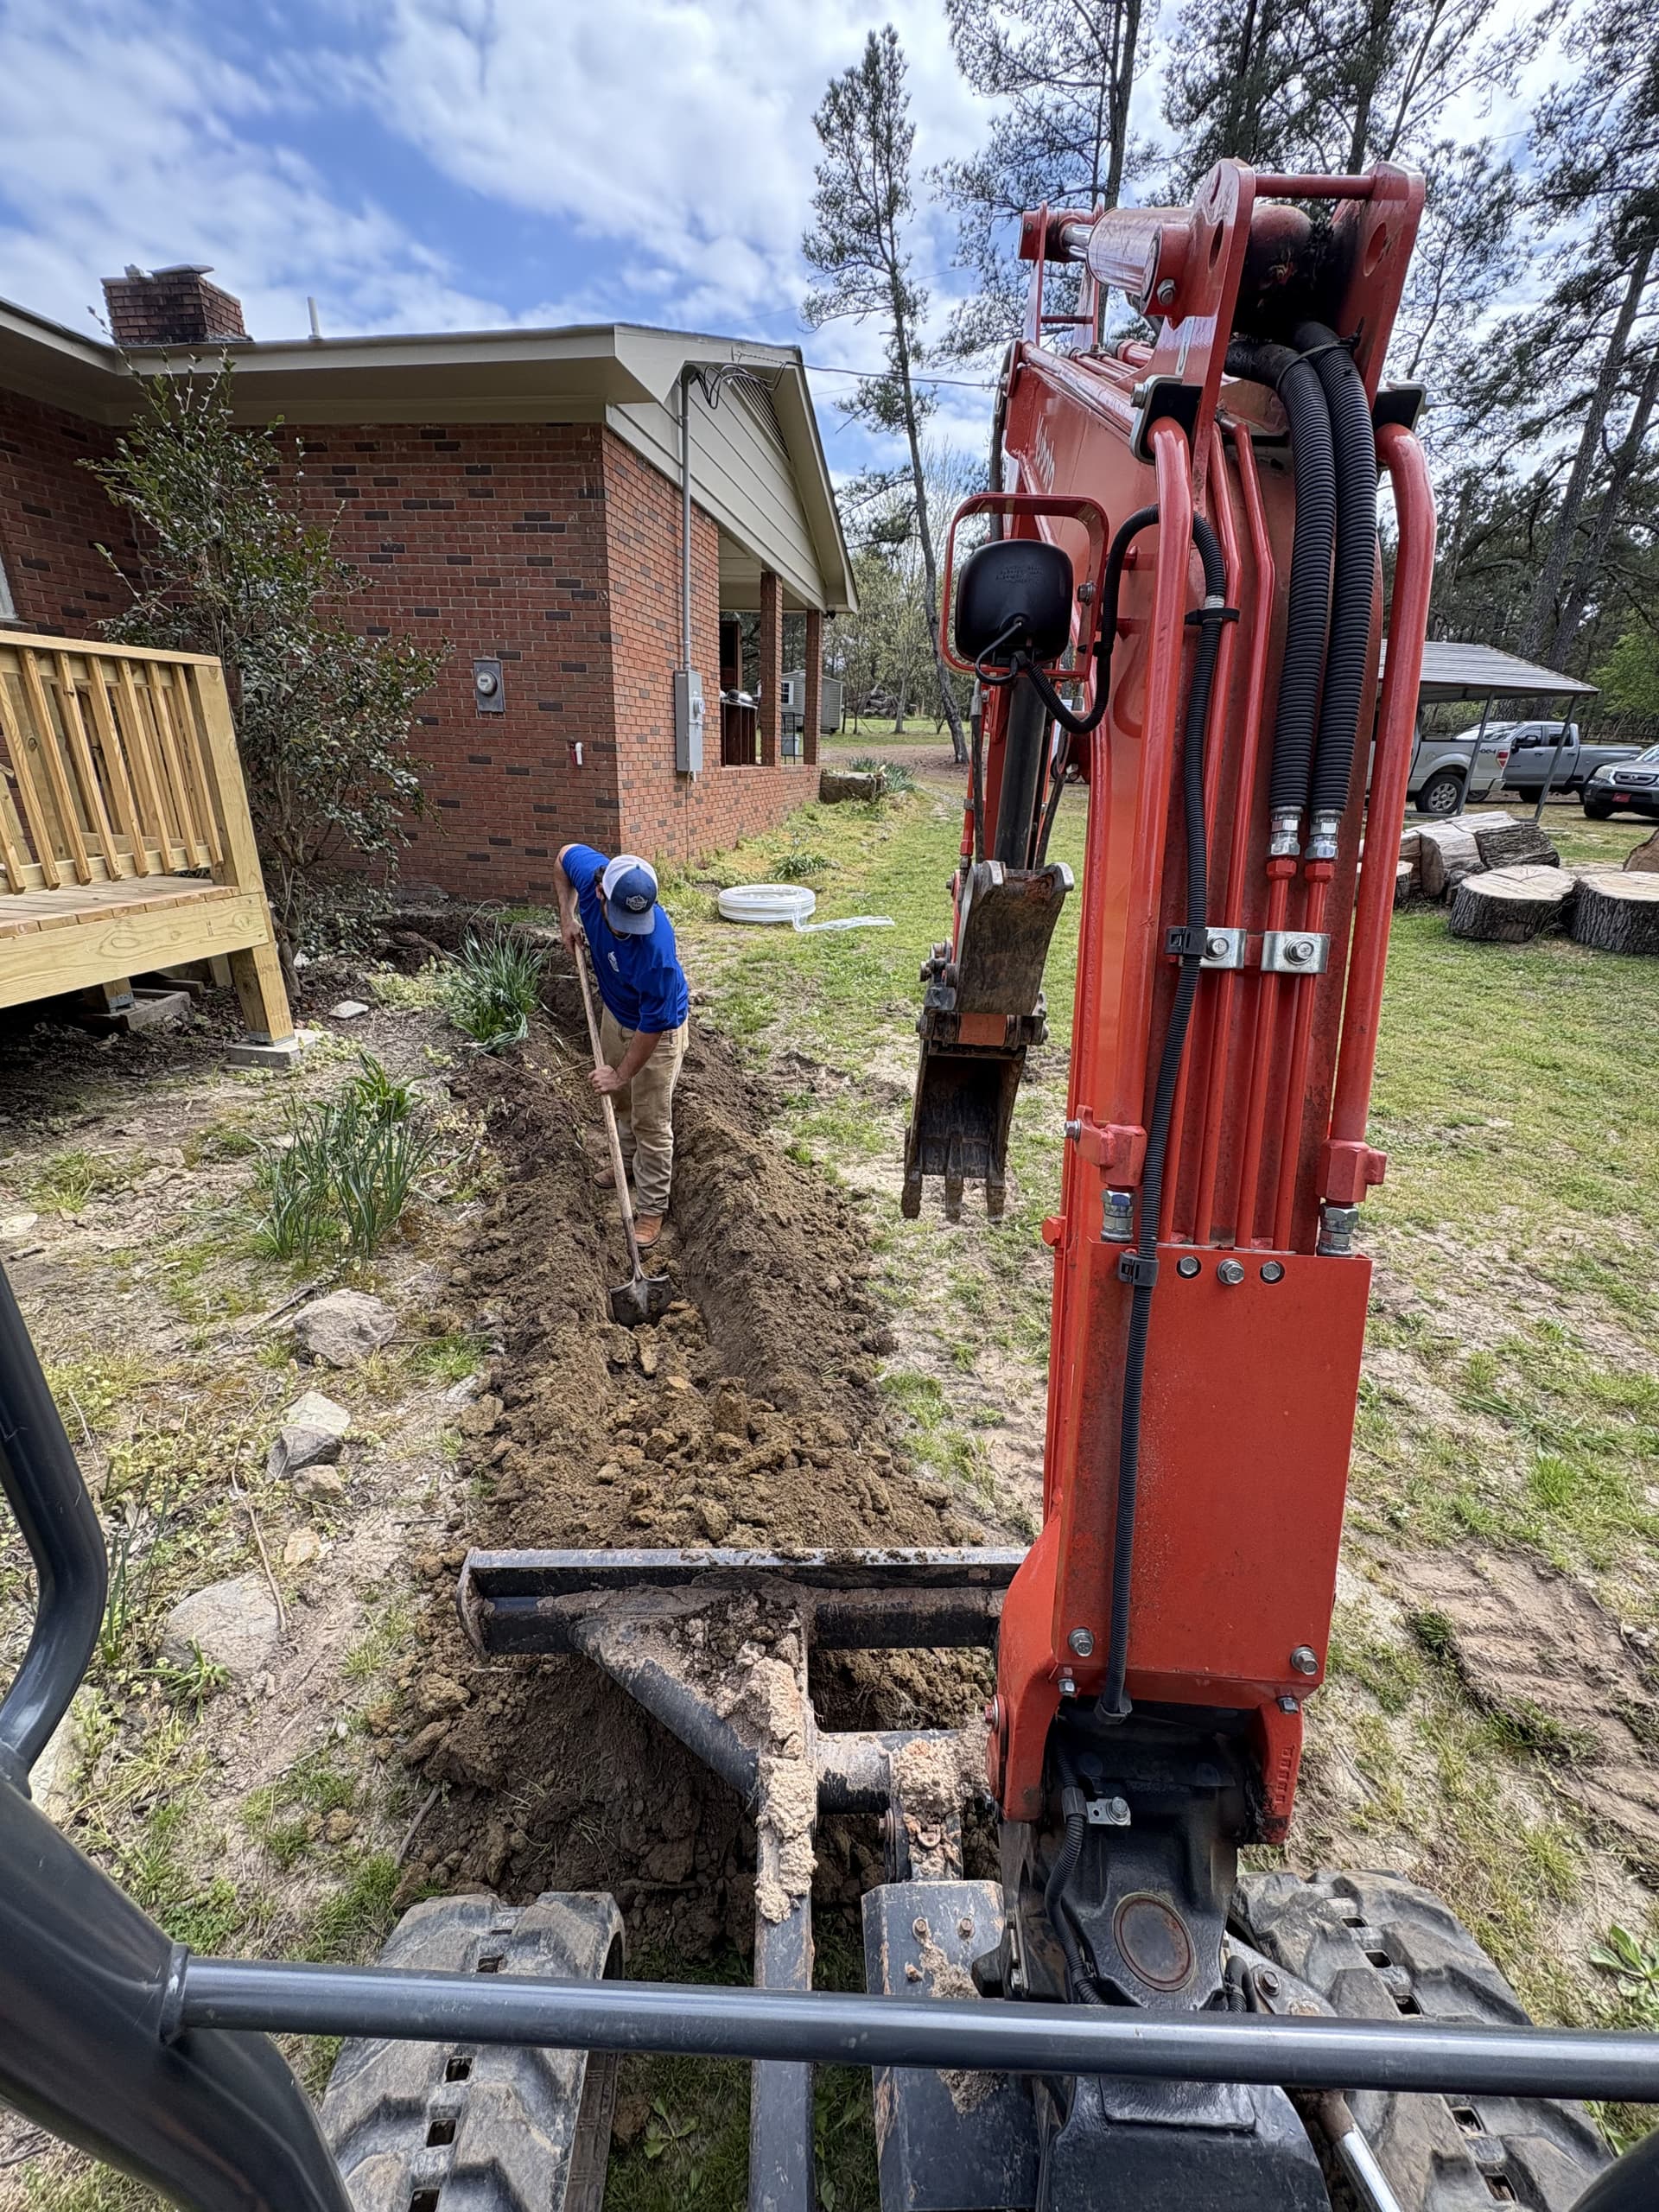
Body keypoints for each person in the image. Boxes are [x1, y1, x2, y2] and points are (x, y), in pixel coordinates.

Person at [554, 845, 690, 1249]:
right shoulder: (592, 874)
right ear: (601, 893)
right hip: (617, 1013)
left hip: (657, 1032)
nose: (630, 927)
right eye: (622, 918)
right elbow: (562, 857)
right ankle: (625, 1162)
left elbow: (654, 1026)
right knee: (624, 1102)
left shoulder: (657, 951)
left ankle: (651, 1207)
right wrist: (566, 917)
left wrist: (620, 1073)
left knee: (651, 1119)